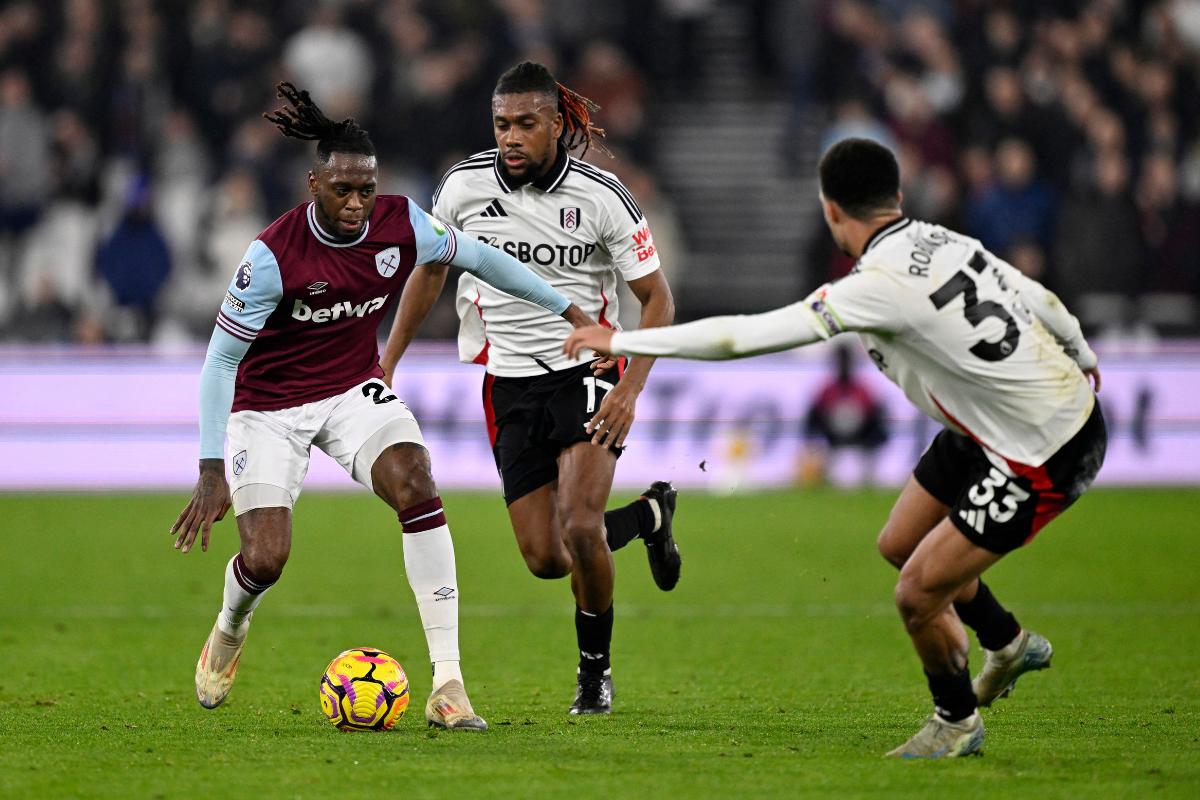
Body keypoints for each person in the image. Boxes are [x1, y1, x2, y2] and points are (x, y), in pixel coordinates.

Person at [565, 138, 1107, 757]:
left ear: (830, 211)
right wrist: (1083, 355)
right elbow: (1041, 299)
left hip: (1044, 444)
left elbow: (744, 337)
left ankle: (956, 721)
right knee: (900, 544)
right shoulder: (944, 239)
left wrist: (624, 342)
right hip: (1000, 422)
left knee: (918, 594)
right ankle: (1007, 643)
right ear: (897, 198)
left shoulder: (871, 286)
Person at [170, 83, 601, 731]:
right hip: (269, 408)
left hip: (350, 389)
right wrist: (209, 468)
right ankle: (231, 622)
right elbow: (220, 362)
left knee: (416, 481)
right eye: (342, 189)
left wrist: (566, 308)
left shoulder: (402, 225)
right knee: (266, 558)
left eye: (366, 190)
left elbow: (484, 259)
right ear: (314, 182)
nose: (355, 203)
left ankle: (449, 684)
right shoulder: (270, 258)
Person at [381, 62, 680, 716]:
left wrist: (629, 388)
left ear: (557, 124)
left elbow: (658, 301)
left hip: (589, 376)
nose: (510, 136)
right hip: (507, 384)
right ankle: (651, 516)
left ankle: (593, 675)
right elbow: (430, 273)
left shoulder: (603, 197)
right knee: (546, 558)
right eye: (501, 124)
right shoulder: (462, 188)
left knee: (579, 524)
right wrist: (390, 357)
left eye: (524, 123)